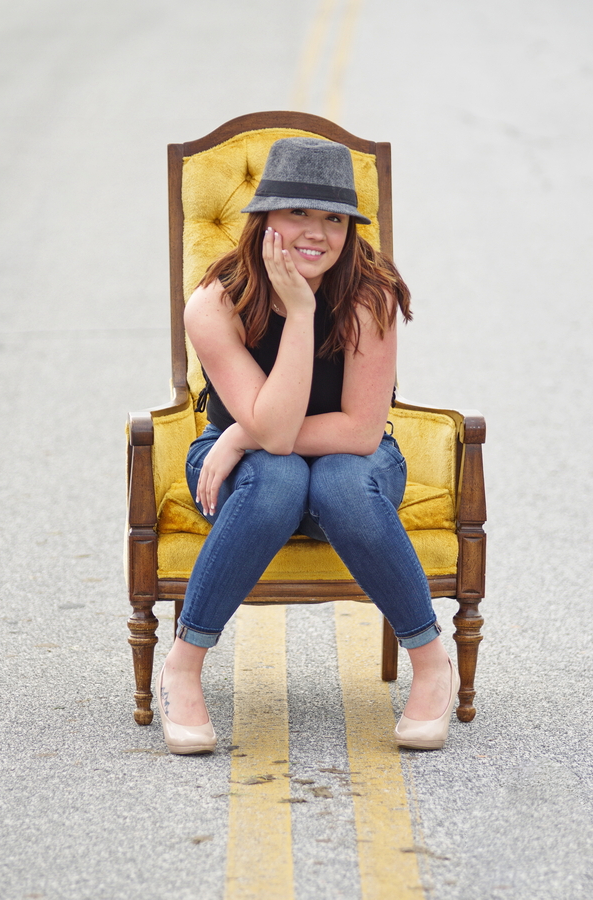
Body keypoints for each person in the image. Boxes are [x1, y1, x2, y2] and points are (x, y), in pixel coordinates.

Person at [156, 136, 459, 755]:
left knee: (338, 479)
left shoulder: (369, 295)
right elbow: (274, 437)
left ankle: (432, 664)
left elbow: (360, 432)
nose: (317, 232)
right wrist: (298, 315)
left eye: (334, 218)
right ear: (265, 216)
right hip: (248, 475)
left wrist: (241, 434)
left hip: (351, 464)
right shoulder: (215, 304)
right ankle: (182, 667)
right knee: (281, 474)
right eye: (298, 212)